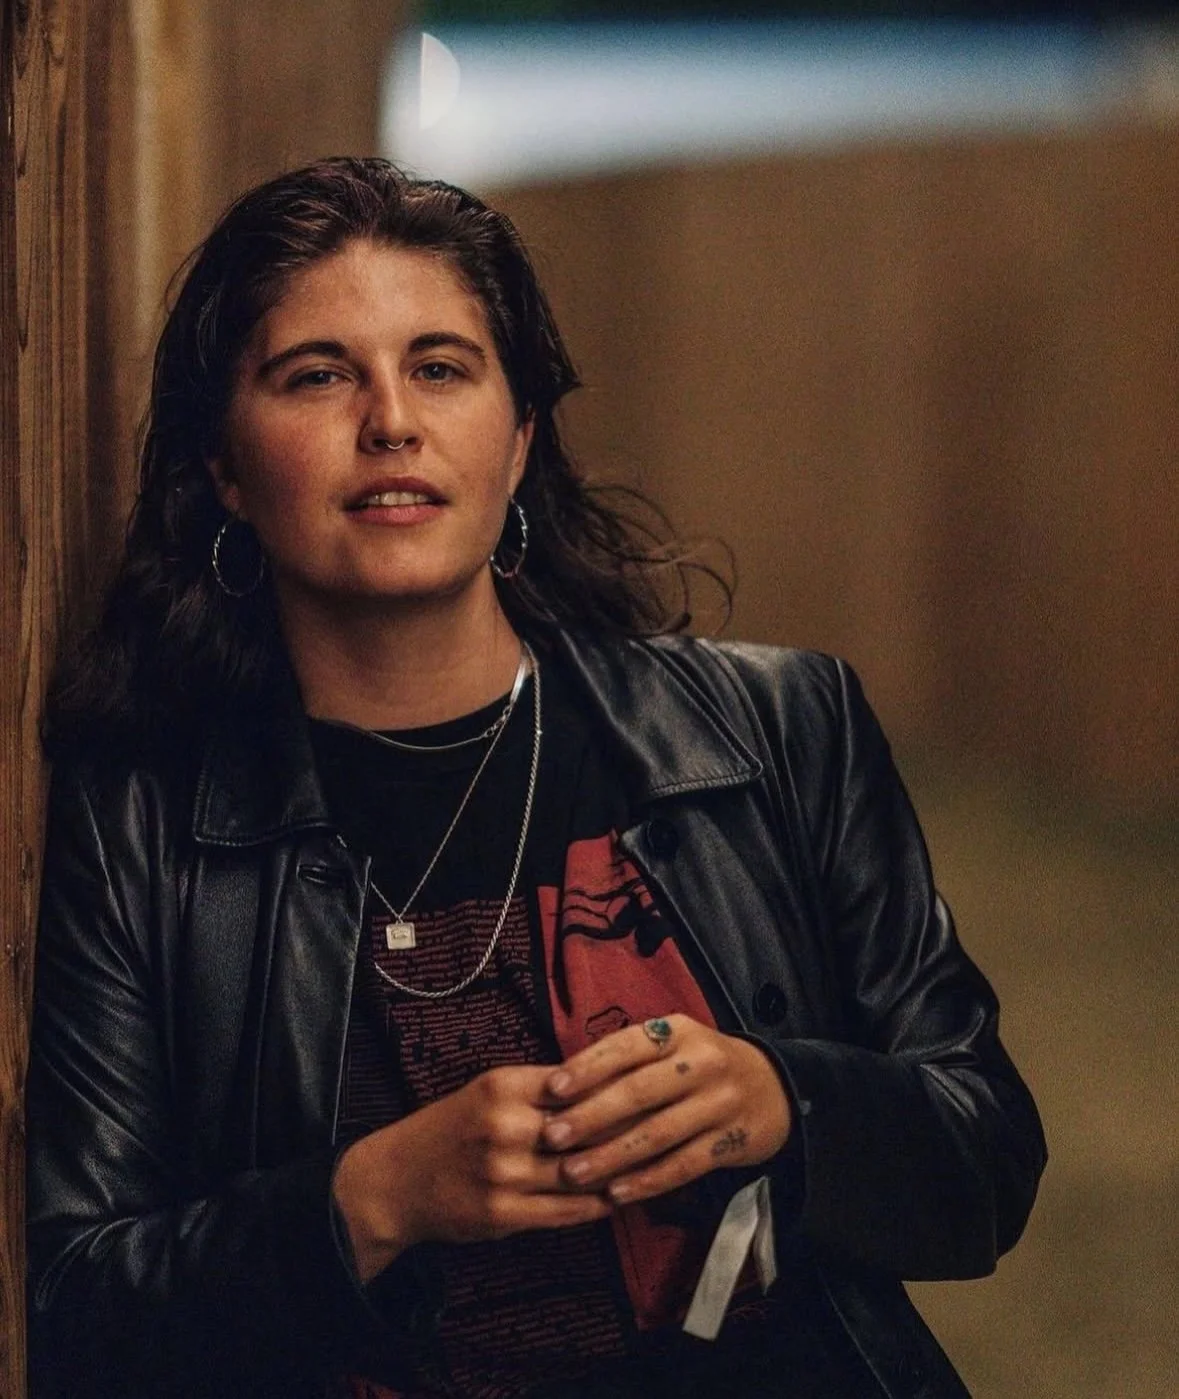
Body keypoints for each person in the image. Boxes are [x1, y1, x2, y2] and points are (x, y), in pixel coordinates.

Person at [26, 156, 1046, 1399]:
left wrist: (781, 1098)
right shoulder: (144, 824)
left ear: (515, 443)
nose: (390, 418)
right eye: (318, 374)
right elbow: (78, 1303)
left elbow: (986, 1158)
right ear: (225, 471)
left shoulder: (781, 729)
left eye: (440, 367)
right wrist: (376, 1199)